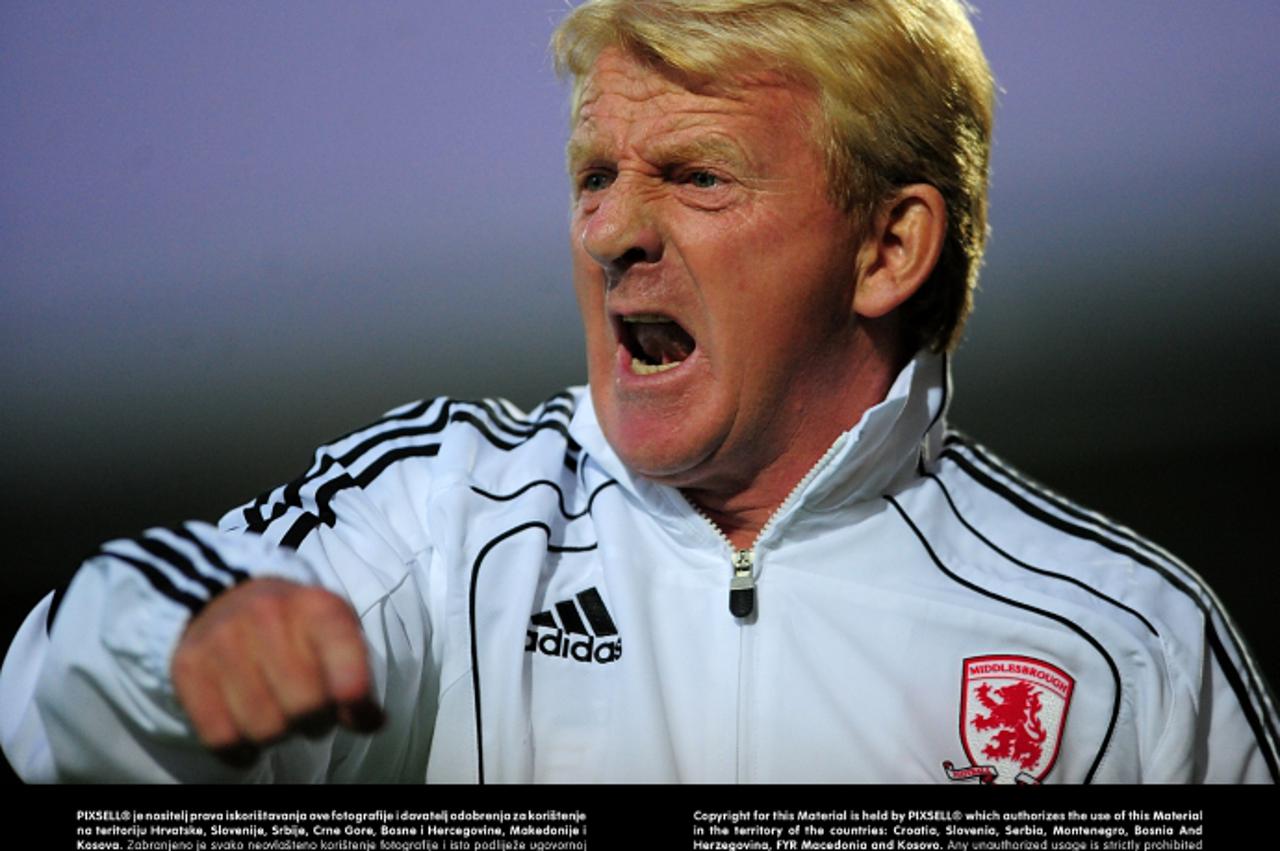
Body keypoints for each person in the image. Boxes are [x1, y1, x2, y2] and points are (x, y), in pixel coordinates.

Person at [1, 0, 1275, 784]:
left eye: (694, 176)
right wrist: (179, 649)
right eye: (594, 174)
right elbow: (52, 714)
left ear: (888, 248)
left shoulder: (1127, 650)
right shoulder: (440, 520)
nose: (613, 229)